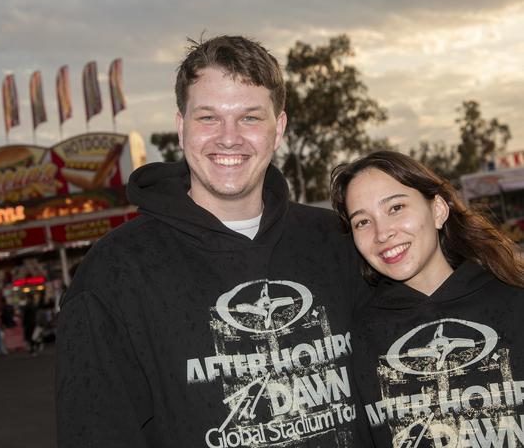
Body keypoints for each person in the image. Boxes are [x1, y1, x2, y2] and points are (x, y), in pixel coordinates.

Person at [57, 35, 370, 447]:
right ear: (180, 126)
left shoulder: (337, 241)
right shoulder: (117, 272)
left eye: (250, 118)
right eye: (208, 117)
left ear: (278, 129)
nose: (228, 137)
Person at [330, 150, 524, 447]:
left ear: (437, 211)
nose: (382, 233)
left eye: (395, 208)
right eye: (362, 222)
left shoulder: (513, 301)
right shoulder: (360, 334)